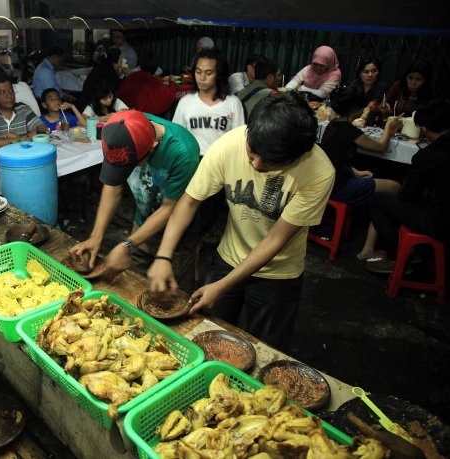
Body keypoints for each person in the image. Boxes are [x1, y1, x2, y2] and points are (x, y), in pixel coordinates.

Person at [148, 92, 335, 349]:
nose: (256, 165)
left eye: (268, 163)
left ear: (296, 156)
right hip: (228, 257)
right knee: (209, 339)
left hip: (279, 273)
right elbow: (190, 201)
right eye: (252, 154)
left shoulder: (318, 172)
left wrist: (223, 285)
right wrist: (163, 256)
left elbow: (276, 237)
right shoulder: (230, 144)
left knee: (266, 349)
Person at [69, 110, 201, 292]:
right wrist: (96, 236)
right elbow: (113, 185)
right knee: (131, 288)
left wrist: (127, 245)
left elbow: (169, 208)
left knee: (169, 296)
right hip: (141, 224)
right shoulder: (122, 127)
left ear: (153, 146)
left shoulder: (183, 152)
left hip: (177, 238)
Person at [364, 100, 450, 274]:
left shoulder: (429, 156)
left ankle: (402, 255)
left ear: (424, 129)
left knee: (375, 199)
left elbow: (408, 195)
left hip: (437, 219)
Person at [319, 86, 402, 261]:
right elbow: (380, 147)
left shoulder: (333, 125)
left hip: (328, 181)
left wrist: (355, 171)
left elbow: (335, 158)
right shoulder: (350, 131)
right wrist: (388, 127)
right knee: (393, 188)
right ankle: (368, 248)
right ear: (354, 110)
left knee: (375, 180)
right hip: (339, 187)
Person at [172, 49, 245, 156]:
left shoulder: (233, 103)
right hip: (193, 163)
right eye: (198, 72)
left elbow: (239, 140)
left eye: (208, 73)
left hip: (220, 163)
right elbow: (177, 137)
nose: (202, 78)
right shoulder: (185, 102)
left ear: (219, 74)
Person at [0, 70, 45, 149]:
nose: (9, 95)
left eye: (11, 90)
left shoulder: (23, 109)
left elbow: (41, 128)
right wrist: (15, 140)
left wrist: (22, 138)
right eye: (2, 92)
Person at [117, 51, 179, 117]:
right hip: (146, 118)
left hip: (125, 115)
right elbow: (170, 97)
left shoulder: (130, 77)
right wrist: (172, 82)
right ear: (156, 67)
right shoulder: (153, 81)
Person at [79, 48, 124, 113]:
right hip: (91, 103)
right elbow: (119, 85)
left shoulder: (102, 66)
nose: (122, 61)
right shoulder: (108, 70)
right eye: (121, 59)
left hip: (87, 100)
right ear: (116, 60)